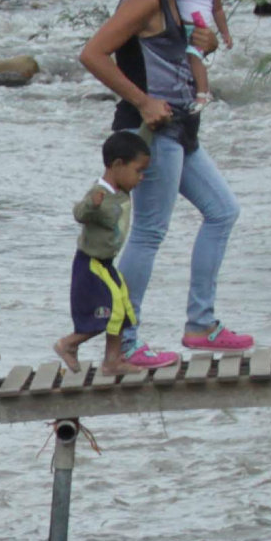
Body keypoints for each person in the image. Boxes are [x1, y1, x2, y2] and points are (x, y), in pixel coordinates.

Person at [78, 0, 250, 352]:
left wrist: (202, 47)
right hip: (150, 133)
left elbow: (174, 59)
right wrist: (141, 101)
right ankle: (125, 342)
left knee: (223, 212)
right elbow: (93, 54)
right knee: (150, 232)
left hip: (181, 128)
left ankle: (200, 325)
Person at [59, 129, 163, 373]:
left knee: (123, 308)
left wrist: (149, 125)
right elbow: (79, 213)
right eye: (138, 171)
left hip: (106, 264)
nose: (141, 178)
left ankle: (112, 360)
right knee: (106, 313)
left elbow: (138, 145)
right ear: (118, 165)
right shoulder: (100, 193)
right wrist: (91, 206)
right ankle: (69, 344)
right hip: (91, 264)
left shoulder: (121, 190)